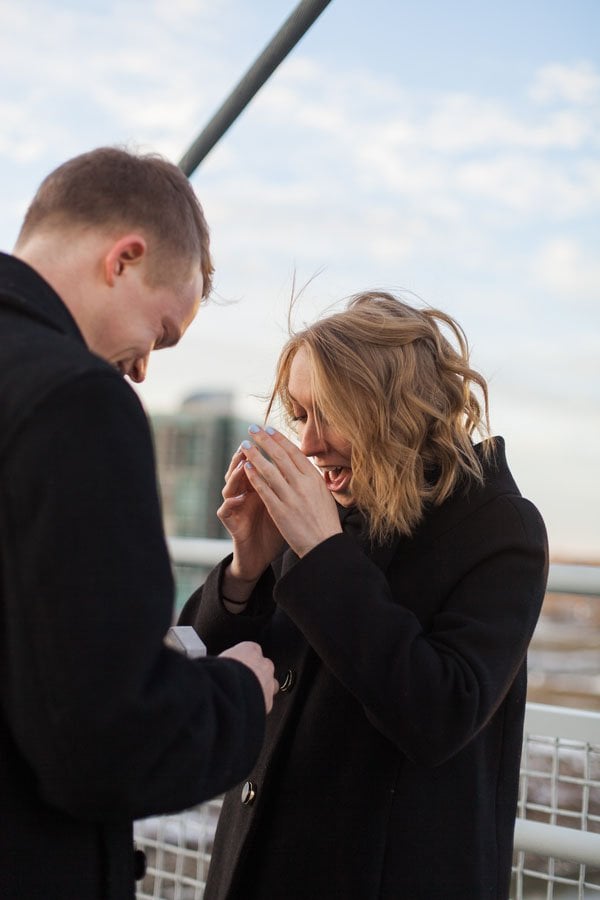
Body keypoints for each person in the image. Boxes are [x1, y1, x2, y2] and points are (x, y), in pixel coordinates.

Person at [180, 291, 549, 900]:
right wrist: (246, 565)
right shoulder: (323, 515)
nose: (309, 442)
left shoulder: (498, 526)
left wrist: (322, 553)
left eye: (332, 412)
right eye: (299, 414)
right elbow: (185, 661)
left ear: (398, 407)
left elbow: (440, 714)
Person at [0, 146, 278, 900]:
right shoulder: (78, 401)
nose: (143, 368)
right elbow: (104, 742)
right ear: (124, 258)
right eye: (161, 332)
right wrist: (236, 696)